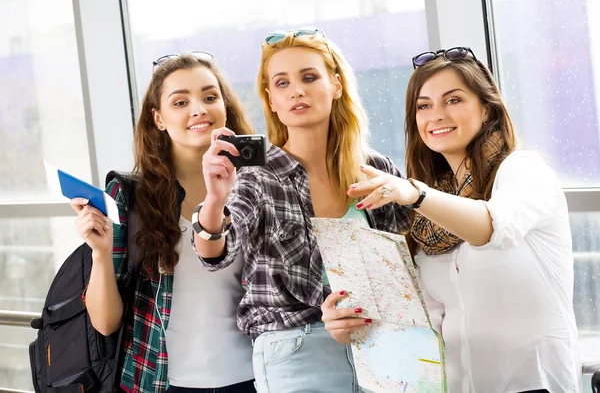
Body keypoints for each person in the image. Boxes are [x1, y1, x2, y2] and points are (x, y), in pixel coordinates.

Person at [321, 47, 581, 392]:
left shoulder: (522, 170)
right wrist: (350, 321)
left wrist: (415, 194)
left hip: (533, 382)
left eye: (453, 100)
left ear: (486, 108)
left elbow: (491, 226)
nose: (436, 115)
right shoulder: (429, 217)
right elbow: (424, 319)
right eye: (424, 106)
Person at [192, 29, 412, 393]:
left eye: (309, 77)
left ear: (336, 85)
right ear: (272, 101)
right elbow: (216, 252)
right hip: (297, 348)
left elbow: (409, 260)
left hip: (380, 344)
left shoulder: (376, 170)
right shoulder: (259, 176)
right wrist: (215, 201)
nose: (297, 90)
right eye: (282, 83)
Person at [70, 53, 256, 393]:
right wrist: (99, 253)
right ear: (158, 118)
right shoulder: (129, 195)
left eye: (210, 97)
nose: (198, 108)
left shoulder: (255, 185)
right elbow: (106, 323)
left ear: (225, 106)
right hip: (158, 381)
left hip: (256, 376)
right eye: (180, 101)